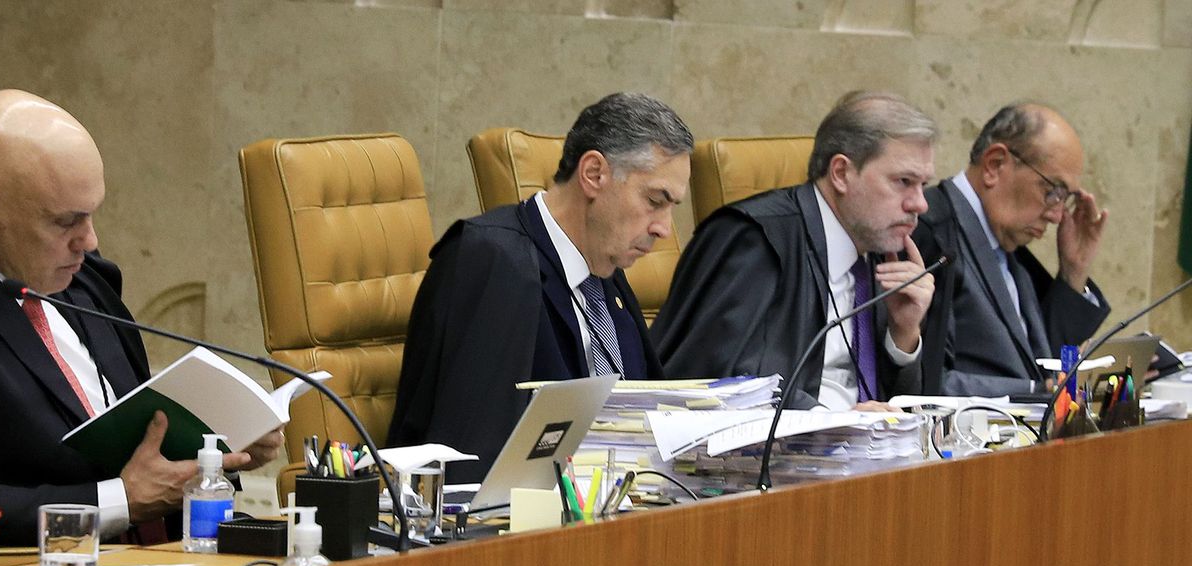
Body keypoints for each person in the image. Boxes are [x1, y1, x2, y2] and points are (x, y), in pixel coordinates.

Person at [0, 90, 282, 546]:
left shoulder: (84, 279)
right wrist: (120, 501)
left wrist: (216, 454)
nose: (90, 241)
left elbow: (139, 443)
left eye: (92, 215)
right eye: (66, 222)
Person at [387, 93, 688, 483]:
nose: (664, 228)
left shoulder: (606, 275)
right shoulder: (491, 260)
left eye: (672, 207)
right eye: (655, 200)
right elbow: (467, 459)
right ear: (594, 174)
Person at [649, 91, 946, 409]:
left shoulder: (881, 254)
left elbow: (905, 407)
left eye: (923, 185)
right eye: (903, 181)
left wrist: (903, 333)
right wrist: (832, 423)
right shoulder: (755, 239)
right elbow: (718, 381)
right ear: (841, 173)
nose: (920, 204)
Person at [912, 103, 1110, 396]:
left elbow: (1040, 365)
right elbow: (926, 382)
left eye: (1065, 198)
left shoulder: (1008, 245)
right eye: (1052, 191)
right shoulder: (930, 231)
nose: (1057, 216)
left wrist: (1074, 270)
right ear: (994, 165)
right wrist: (1034, 390)